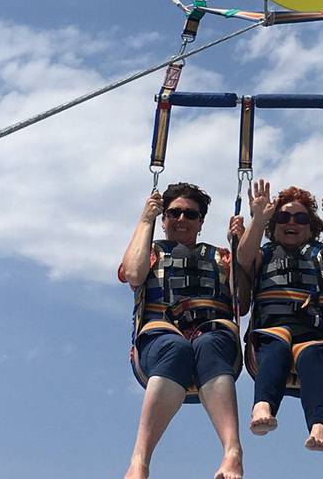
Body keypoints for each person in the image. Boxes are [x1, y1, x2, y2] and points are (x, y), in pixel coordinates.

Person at [119, 182, 248, 479]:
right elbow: (134, 274)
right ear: (163, 218)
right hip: (160, 337)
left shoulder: (220, 257)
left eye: (190, 215)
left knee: (210, 343)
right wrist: (144, 221)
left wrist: (238, 249)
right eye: (173, 213)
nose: (181, 219)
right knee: (175, 348)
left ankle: (233, 452)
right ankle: (139, 461)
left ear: (200, 222)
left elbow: (241, 302)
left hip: (212, 334)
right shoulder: (150, 251)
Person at [236, 180, 323, 452]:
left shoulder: (322, 253)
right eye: (283, 217)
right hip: (272, 328)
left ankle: (320, 424)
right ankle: (263, 405)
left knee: (312, 358)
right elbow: (243, 257)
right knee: (276, 347)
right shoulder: (264, 253)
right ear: (273, 227)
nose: (292, 222)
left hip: (314, 332)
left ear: (312, 228)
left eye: (301, 218)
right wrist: (258, 218)